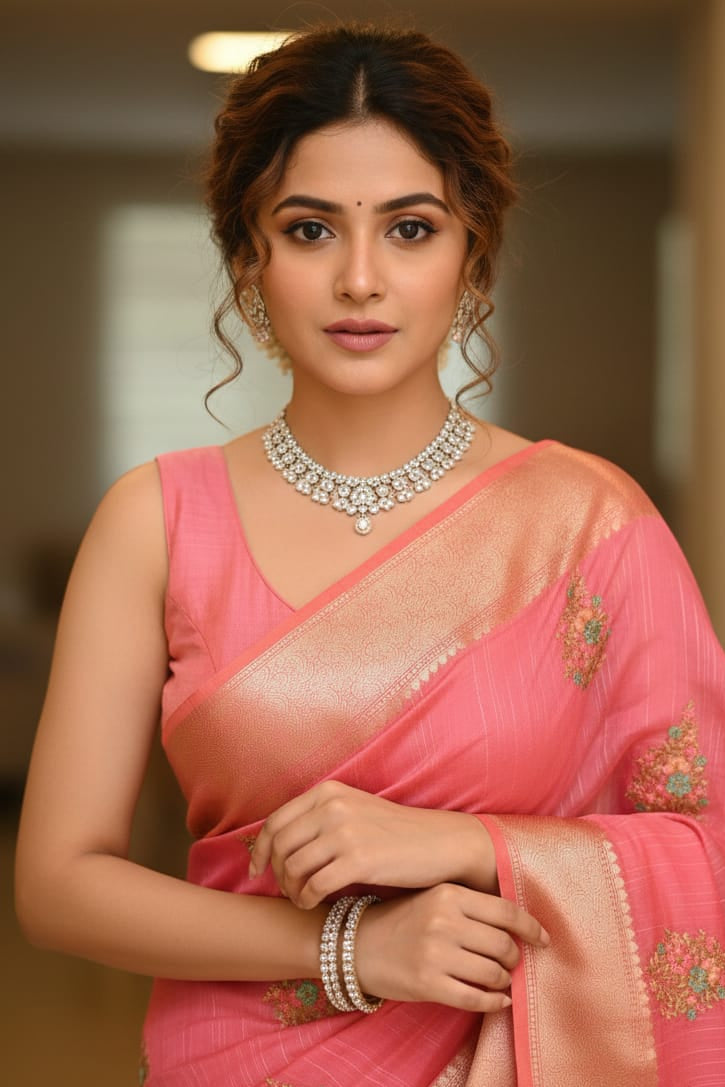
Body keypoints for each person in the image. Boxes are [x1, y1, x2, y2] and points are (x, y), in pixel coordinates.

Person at [14, 21, 725, 1087]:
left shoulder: (587, 522)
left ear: (470, 248)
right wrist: (350, 951)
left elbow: (705, 848)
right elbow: (58, 884)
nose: (358, 279)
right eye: (309, 230)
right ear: (247, 250)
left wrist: (464, 845)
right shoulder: (156, 519)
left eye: (408, 228)